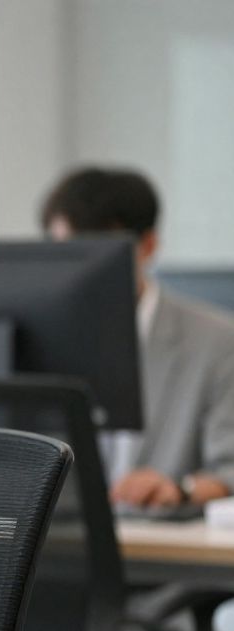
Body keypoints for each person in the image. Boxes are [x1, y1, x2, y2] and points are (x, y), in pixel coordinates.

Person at [41, 167, 234, 508]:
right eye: (65, 252)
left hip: (164, 535)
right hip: (64, 535)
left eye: (96, 254)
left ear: (148, 246)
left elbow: (229, 469)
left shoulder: (218, 341)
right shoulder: (41, 339)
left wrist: (180, 489)